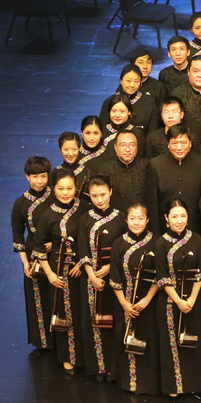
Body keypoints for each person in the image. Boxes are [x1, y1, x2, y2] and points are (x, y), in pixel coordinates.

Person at [34, 168, 86, 375]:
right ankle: (67, 357)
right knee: (65, 315)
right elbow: (39, 249)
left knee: (83, 313)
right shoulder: (48, 215)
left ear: (76, 188)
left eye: (70, 188)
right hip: (59, 273)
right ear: (53, 190)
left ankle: (84, 356)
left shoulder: (83, 208)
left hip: (82, 271)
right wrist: (50, 275)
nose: (66, 193)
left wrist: (82, 264)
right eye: (61, 189)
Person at [75, 175, 126, 381]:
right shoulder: (85, 219)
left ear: (111, 192)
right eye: (95, 196)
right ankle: (99, 367)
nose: (100, 200)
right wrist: (92, 276)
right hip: (91, 280)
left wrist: (108, 268)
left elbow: (124, 249)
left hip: (114, 279)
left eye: (103, 195)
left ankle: (115, 368)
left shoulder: (121, 218)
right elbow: (82, 250)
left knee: (114, 322)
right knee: (93, 323)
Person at [154, 199, 201, 397]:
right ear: (166, 219)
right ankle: (173, 386)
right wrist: (178, 301)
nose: (179, 220)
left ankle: (193, 383)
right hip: (170, 302)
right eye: (174, 216)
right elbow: (162, 276)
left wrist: (191, 299)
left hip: (193, 301)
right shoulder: (161, 243)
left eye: (183, 216)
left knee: (192, 342)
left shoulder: (197, 239)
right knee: (172, 344)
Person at [109, 203, 161, 395]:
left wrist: (146, 300)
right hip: (124, 303)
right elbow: (114, 277)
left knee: (148, 340)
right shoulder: (119, 244)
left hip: (149, 303)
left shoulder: (156, 242)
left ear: (147, 220)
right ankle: (128, 383)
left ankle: (149, 383)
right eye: (132, 218)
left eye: (140, 218)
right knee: (125, 339)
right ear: (126, 220)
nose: (136, 222)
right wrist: (124, 303)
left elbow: (160, 275)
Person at [11, 156, 54, 355]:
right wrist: (25, 263)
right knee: (37, 299)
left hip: (56, 254)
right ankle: (43, 342)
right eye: (35, 176)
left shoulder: (56, 195)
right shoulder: (21, 203)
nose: (39, 181)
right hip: (32, 256)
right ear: (27, 177)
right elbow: (18, 236)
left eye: (43, 176)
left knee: (57, 297)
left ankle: (60, 340)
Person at [148, 124, 201, 234]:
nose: (179, 147)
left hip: (195, 230)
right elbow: (152, 204)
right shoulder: (155, 165)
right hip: (164, 231)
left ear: (190, 144)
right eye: (175, 143)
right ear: (168, 144)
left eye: (183, 143)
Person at [98, 130, 154, 214]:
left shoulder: (146, 166)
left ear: (137, 147)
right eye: (123, 145)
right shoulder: (105, 169)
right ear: (115, 147)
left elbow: (152, 200)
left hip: (140, 220)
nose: (127, 149)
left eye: (132, 145)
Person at [100, 64, 159, 135]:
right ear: (121, 81)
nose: (132, 85)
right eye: (128, 81)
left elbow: (152, 131)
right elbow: (102, 128)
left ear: (140, 82)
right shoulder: (109, 102)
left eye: (136, 81)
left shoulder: (149, 103)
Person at [101, 94, 145, 158]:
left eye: (122, 111)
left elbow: (140, 157)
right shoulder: (102, 131)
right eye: (114, 111)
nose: (117, 115)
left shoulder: (136, 133)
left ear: (129, 112)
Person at [54, 132, 91, 204]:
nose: (70, 154)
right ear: (60, 149)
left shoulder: (88, 172)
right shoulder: (54, 173)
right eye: (66, 149)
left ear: (79, 148)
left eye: (74, 149)